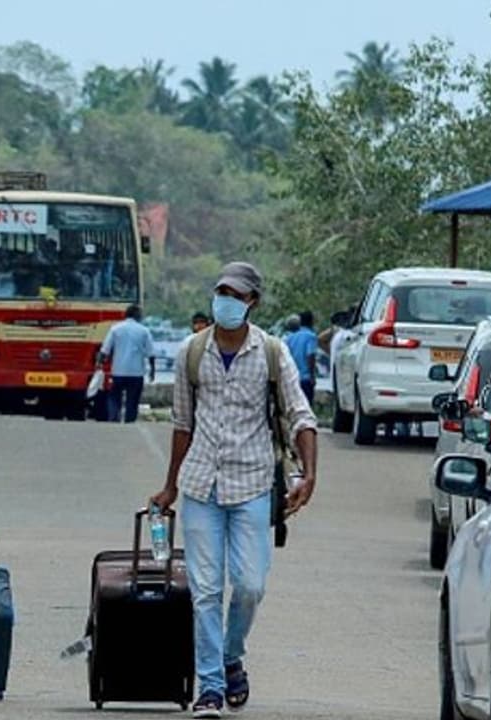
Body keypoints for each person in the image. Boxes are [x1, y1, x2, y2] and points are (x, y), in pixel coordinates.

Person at [150, 262, 318, 719]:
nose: (225, 299)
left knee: (249, 586)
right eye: (221, 291)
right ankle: (209, 686)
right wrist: (170, 488)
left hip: (253, 485)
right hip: (201, 485)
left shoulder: (272, 353)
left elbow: (301, 416)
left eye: (235, 294)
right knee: (205, 589)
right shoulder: (191, 352)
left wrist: (308, 475)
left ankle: (230, 655)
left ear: (252, 303)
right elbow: (182, 425)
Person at [97, 304, 156, 423]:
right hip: (136, 372)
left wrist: (99, 364)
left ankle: (114, 417)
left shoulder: (115, 329)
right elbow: (151, 353)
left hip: (118, 371)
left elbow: (105, 350)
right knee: (132, 400)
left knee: (114, 397)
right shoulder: (144, 331)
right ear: (137, 316)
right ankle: (129, 421)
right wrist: (152, 370)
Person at [285, 311, 319, 404]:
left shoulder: (290, 337)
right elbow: (310, 355)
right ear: (311, 321)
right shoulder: (311, 336)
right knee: (306, 406)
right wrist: (312, 375)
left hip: (292, 377)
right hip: (305, 378)